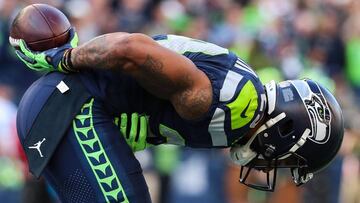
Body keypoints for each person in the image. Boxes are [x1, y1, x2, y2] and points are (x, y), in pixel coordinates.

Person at [11, 4, 344, 202]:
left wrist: (126, 116)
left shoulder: (240, 111)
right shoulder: (234, 107)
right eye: (289, 159)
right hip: (69, 106)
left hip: (73, 107)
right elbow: (131, 49)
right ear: (286, 129)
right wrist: (66, 57)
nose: (276, 167)